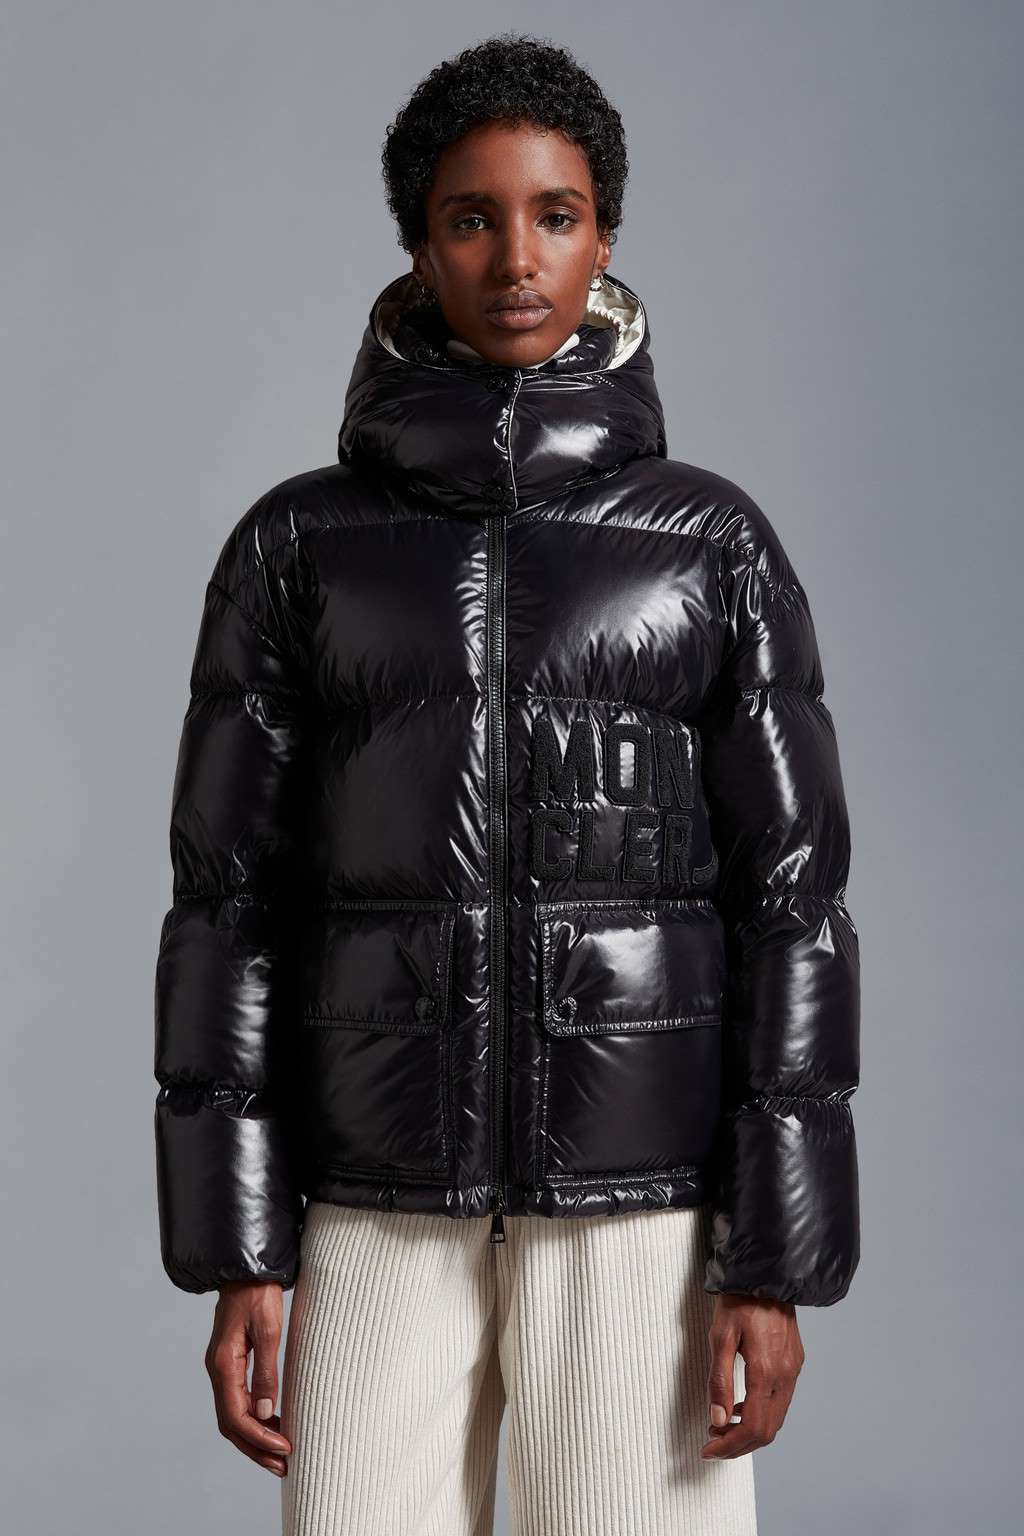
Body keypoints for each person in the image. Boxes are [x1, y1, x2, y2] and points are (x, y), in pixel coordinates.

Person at [153, 31, 860, 1536]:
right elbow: (228, 908)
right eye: (471, 218)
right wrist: (241, 1249)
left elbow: (794, 905)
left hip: (641, 1204)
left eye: (557, 214)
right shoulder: (298, 549)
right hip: (372, 1198)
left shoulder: (713, 547)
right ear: (419, 247)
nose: (517, 258)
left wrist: (773, 1258)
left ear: (607, 237)